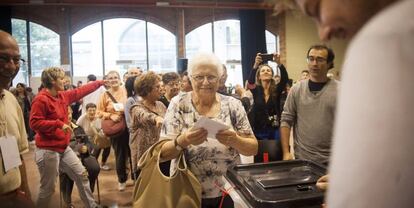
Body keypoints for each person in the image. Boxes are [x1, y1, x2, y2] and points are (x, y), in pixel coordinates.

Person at [288, 0, 414, 207]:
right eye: (310, 58)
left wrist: (347, 191)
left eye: (317, 10)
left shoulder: (389, 37)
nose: (323, 33)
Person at [159, 53, 258, 208]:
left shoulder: (233, 105)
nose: (205, 82)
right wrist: (184, 140)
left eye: (211, 77)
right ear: (190, 78)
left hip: (228, 191)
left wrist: (235, 140)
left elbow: (253, 148)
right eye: (199, 77)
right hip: (187, 191)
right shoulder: (178, 104)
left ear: (219, 79)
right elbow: (163, 154)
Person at [30, 67, 104, 208]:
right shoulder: (40, 99)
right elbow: (34, 123)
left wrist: (99, 83)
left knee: (81, 175)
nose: (64, 81)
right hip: (47, 150)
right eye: (61, 78)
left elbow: (80, 91)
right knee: (48, 188)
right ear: (52, 81)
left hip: (63, 148)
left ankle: (91, 206)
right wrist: (58, 124)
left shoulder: (62, 95)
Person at [280, 45, 338, 166]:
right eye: (311, 59)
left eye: (320, 59)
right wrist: (286, 151)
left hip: (332, 160)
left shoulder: (340, 90)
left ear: (329, 64)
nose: (314, 63)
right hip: (302, 159)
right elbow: (286, 120)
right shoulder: (297, 89)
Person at [0, 30, 33, 208]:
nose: (11, 67)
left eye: (16, 59)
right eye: (3, 58)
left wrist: (26, 194)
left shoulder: (11, 100)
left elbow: (16, 154)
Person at [60, 107, 100, 208]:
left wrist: (87, 148)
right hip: (65, 157)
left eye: (69, 113)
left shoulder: (77, 127)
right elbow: (58, 146)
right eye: (65, 113)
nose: (68, 116)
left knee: (94, 167)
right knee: (68, 171)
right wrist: (76, 148)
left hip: (83, 156)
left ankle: (89, 197)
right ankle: (67, 202)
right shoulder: (58, 128)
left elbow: (88, 142)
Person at [97, 70, 129, 191]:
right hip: (116, 127)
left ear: (120, 79)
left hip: (130, 125)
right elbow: (98, 112)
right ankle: (122, 179)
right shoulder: (105, 95)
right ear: (107, 81)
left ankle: (136, 177)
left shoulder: (126, 90)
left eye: (115, 77)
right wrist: (110, 116)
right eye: (110, 78)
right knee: (120, 154)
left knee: (133, 152)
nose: (113, 80)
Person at [129, 71, 166, 178]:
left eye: (161, 86)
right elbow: (144, 116)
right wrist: (156, 118)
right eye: (157, 87)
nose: (161, 89)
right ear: (147, 90)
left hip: (160, 154)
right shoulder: (136, 108)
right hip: (144, 157)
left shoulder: (161, 105)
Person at [247, 53, 288, 143]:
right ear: (259, 76)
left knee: (275, 154)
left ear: (272, 75)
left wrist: (279, 63)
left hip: (274, 128)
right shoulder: (256, 90)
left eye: (268, 70)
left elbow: (284, 79)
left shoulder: (277, 89)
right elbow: (250, 83)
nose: (266, 72)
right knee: (261, 155)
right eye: (263, 71)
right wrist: (255, 65)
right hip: (259, 128)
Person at [77, 103, 111, 171]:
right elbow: (77, 129)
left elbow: (103, 129)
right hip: (86, 138)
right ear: (86, 111)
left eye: (93, 110)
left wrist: (101, 135)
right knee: (94, 148)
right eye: (90, 110)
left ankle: (103, 163)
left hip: (98, 136)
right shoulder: (81, 119)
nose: (92, 112)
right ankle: (91, 165)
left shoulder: (99, 117)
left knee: (108, 144)